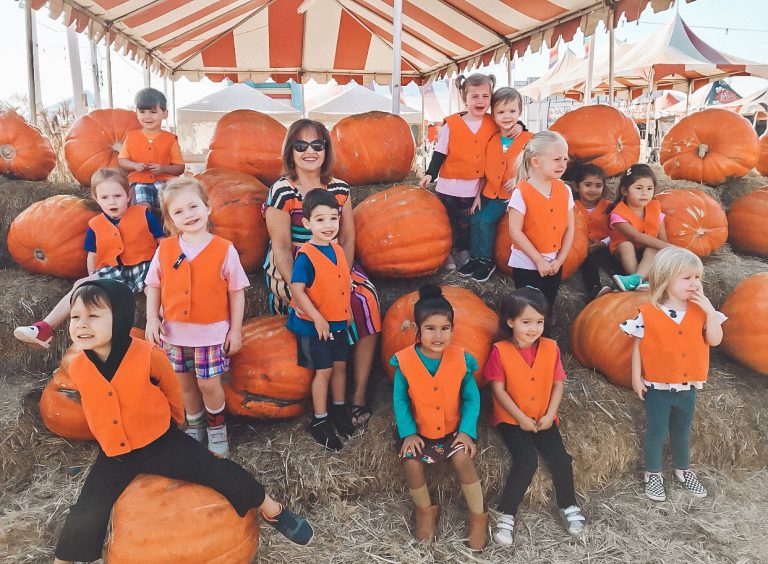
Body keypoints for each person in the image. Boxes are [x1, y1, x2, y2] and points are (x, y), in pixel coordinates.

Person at [52, 280, 312, 564]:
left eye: (93, 316)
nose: (81, 325)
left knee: (216, 470)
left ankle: (272, 509)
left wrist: (174, 422)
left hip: (160, 442)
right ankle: (65, 559)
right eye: (75, 317)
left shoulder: (147, 355)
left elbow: (172, 390)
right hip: (115, 452)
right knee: (87, 509)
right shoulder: (78, 366)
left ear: (121, 318)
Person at [263, 119, 381, 428]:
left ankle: (356, 396)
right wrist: (298, 290)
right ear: (291, 151)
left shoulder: (340, 188)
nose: (310, 151)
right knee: (309, 304)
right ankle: (320, 391)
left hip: (336, 260)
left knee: (366, 298)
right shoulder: (281, 191)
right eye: (301, 145)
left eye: (318, 144)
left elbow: (348, 238)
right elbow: (282, 248)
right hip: (296, 264)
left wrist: (341, 274)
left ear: (326, 149)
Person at [144, 177, 248, 458]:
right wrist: (151, 319)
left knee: (209, 383)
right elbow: (152, 285)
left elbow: (237, 291)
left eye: (193, 207)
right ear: (169, 220)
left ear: (208, 208)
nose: (188, 215)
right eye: (178, 212)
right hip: (173, 333)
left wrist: (235, 330)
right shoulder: (165, 249)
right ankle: (195, 424)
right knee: (184, 384)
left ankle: (217, 428)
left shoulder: (224, 249)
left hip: (211, 334)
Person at [14, 168, 164, 349]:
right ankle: (45, 328)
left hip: (144, 265)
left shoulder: (144, 215)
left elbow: (162, 243)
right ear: (96, 198)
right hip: (113, 270)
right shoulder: (95, 224)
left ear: (128, 195)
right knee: (81, 287)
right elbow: (92, 254)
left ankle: (165, 331)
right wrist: (92, 276)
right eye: (105, 197)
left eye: (117, 196)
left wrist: (163, 268)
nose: (112, 201)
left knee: (155, 292)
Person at [620, 247, 725, 502]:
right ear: (666, 280)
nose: (694, 283)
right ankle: (652, 474)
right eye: (686, 278)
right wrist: (636, 378)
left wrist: (710, 311)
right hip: (658, 386)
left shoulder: (701, 312)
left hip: (688, 386)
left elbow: (715, 339)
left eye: (697, 278)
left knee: (682, 430)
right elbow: (637, 347)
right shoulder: (648, 313)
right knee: (656, 431)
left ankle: (683, 470)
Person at [485, 287, 586, 545]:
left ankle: (568, 505)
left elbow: (557, 383)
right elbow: (498, 389)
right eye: (526, 322)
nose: (534, 328)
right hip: (512, 419)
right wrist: (519, 417)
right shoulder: (500, 351)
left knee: (561, 459)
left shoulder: (551, 348)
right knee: (526, 461)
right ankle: (506, 514)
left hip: (544, 416)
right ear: (510, 321)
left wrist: (551, 413)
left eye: (539, 322)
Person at [390, 285, 486, 550]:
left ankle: (478, 516)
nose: (438, 335)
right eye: (430, 328)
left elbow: (471, 397)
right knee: (411, 463)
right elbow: (400, 399)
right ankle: (425, 511)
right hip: (419, 432)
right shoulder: (405, 361)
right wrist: (408, 432)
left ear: (453, 330)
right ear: (417, 331)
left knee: (462, 458)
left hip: (453, 429)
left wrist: (467, 430)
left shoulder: (462, 359)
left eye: (445, 328)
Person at [419, 73, 510, 272]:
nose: (480, 101)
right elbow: (440, 151)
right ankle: (447, 253)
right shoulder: (451, 124)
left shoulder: (493, 123)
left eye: (485, 96)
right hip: (449, 186)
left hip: (474, 188)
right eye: (474, 96)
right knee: (448, 222)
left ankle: (463, 251)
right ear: (464, 99)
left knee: (467, 223)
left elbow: (511, 131)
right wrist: (430, 173)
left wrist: (521, 126)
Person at [288, 188, 354, 451]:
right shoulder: (306, 255)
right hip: (315, 326)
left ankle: (338, 408)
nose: (328, 225)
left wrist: (346, 314)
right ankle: (320, 419)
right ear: (307, 224)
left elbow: (340, 284)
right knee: (323, 370)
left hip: (337, 323)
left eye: (333, 219)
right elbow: (297, 289)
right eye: (320, 219)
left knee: (340, 367)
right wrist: (317, 318)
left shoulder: (337, 249)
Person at [458, 87, 533, 283]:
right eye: (501, 112)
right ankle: (474, 257)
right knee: (475, 219)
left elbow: (537, 164)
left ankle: (486, 260)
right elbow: (484, 172)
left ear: (520, 113)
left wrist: (520, 178)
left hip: (510, 194)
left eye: (512, 112)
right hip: (489, 192)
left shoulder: (529, 139)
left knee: (486, 220)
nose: (507, 116)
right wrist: (476, 197)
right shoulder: (491, 140)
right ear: (493, 114)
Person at [506, 131, 575, 313]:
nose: (563, 164)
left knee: (546, 309)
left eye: (565, 159)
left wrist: (560, 260)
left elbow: (570, 227)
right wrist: (538, 260)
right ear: (536, 162)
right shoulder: (522, 192)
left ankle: (544, 341)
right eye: (557, 159)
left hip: (554, 264)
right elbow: (515, 231)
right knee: (527, 310)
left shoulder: (565, 190)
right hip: (527, 264)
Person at [117, 87, 185, 215]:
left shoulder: (170, 139)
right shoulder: (131, 137)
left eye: (153, 112)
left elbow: (180, 167)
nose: (147, 116)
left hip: (165, 181)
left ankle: (170, 228)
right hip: (138, 182)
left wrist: (163, 169)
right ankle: (147, 227)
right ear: (136, 113)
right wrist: (134, 165)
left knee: (171, 205)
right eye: (142, 112)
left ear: (165, 113)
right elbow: (121, 160)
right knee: (142, 208)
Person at [608, 164, 674, 291]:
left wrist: (667, 250)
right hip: (623, 252)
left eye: (649, 188)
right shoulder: (617, 214)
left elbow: (663, 240)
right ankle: (636, 280)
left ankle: (637, 279)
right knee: (626, 245)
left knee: (654, 247)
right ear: (624, 190)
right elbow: (635, 237)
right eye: (638, 188)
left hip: (646, 253)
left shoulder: (655, 208)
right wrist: (673, 248)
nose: (645, 193)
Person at [570, 163, 614, 299]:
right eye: (587, 185)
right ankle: (595, 288)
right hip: (581, 249)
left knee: (611, 259)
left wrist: (604, 243)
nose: (593, 189)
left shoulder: (609, 207)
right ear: (577, 186)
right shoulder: (571, 207)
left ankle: (624, 281)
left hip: (605, 245)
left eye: (598, 186)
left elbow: (618, 230)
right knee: (588, 261)